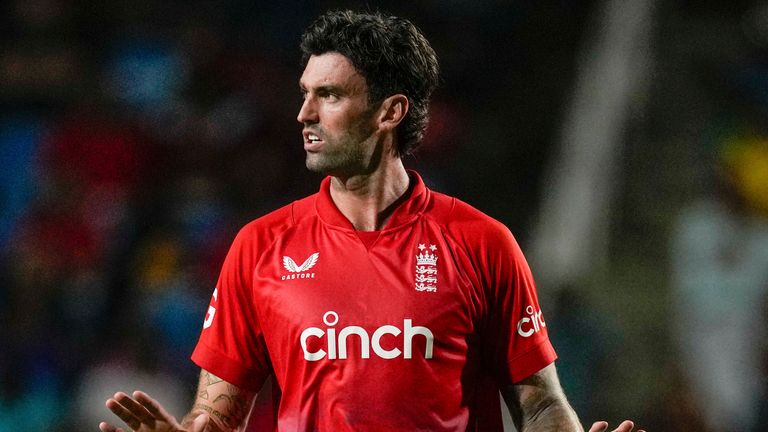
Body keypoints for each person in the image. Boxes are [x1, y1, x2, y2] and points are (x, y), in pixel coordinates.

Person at [100, 10, 643, 432]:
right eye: (305, 94)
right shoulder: (259, 246)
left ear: (390, 112)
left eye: (329, 95)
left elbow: (539, 399)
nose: (304, 114)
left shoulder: (482, 244)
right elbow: (218, 412)